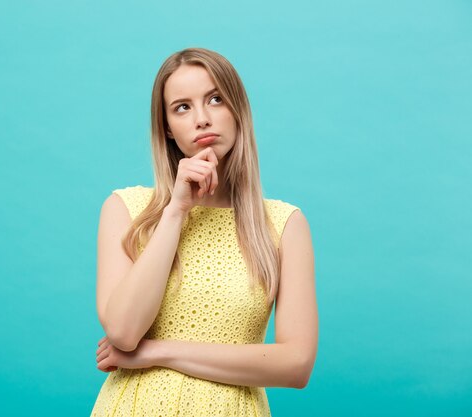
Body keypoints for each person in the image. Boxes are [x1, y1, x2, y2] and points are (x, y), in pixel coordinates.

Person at [91, 47, 318, 416]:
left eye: (215, 99)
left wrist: (158, 352)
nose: (201, 119)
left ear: (238, 109)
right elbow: (122, 332)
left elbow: (296, 364)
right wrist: (176, 210)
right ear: (166, 127)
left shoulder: (284, 224)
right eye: (182, 107)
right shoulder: (125, 209)